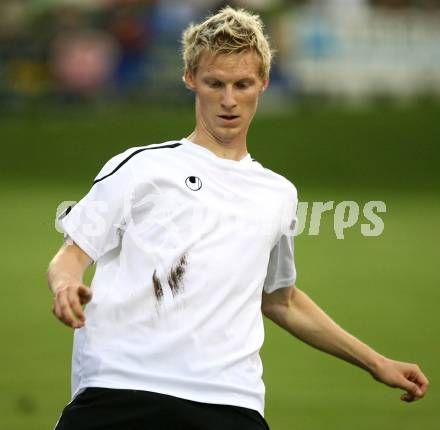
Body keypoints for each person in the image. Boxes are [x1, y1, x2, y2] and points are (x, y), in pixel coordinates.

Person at [48, 6, 429, 430]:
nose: (229, 100)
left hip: (228, 401)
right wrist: (66, 283)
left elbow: (280, 298)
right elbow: (71, 253)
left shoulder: (278, 193)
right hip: (120, 388)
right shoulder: (140, 167)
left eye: (242, 84)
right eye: (216, 83)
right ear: (190, 79)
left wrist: (376, 362)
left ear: (262, 83)